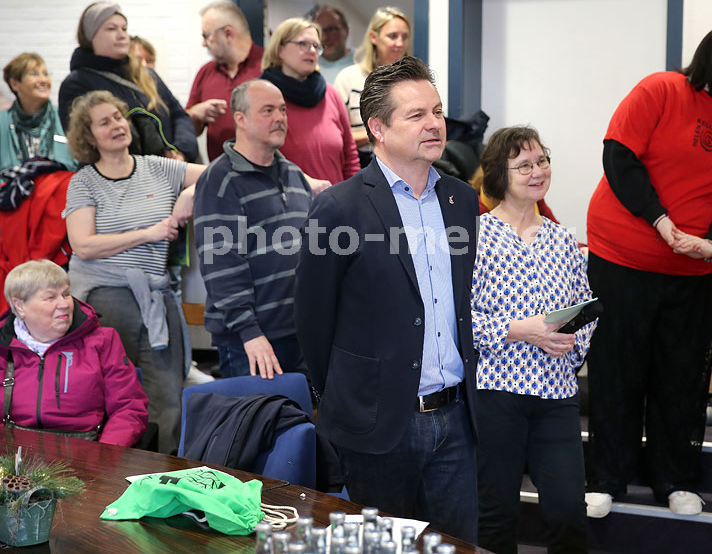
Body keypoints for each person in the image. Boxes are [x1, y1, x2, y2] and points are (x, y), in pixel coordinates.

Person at [585, 22, 712, 517]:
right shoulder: (661, 90)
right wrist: (661, 222)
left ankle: (676, 479)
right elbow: (619, 158)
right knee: (618, 370)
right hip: (622, 257)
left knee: (682, 375)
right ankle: (606, 477)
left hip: (694, 272)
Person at [294, 56, 479, 542]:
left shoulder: (461, 200)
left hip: (457, 418)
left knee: (456, 546)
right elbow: (313, 319)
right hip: (376, 422)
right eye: (416, 115)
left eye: (436, 111)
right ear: (377, 128)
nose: (434, 124)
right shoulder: (339, 207)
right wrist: (343, 396)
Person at [471, 126, 595, 554]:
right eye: (524, 165)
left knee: (568, 510)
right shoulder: (475, 236)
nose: (537, 171)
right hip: (496, 392)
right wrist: (517, 330)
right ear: (498, 175)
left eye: (542, 161)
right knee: (495, 512)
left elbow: (584, 307)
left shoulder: (562, 239)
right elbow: (456, 318)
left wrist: (572, 344)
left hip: (557, 393)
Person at [62, 90, 206, 454]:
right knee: (112, 397)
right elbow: (83, 245)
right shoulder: (84, 181)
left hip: (156, 297)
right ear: (89, 137)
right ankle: (108, 472)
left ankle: (161, 471)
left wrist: (189, 194)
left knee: (168, 398)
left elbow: (218, 175)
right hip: (105, 298)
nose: (117, 125)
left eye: (118, 117)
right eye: (104, 122)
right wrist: (150, 233)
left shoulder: (158, 167)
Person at [194, 79, 313, 380]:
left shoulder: (295, 175)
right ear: (241, 119)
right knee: (257, 414)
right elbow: (222, 265)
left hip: (299, 333)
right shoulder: (220, 181)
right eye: (268, 110)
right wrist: (249, 332)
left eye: (282, 110)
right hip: (251, 343)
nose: (280, 118)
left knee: (302, 412)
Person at [1, 260, 148, 446]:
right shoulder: (4, 345)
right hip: (12, 452)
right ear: (20, 306)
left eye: (66, 294)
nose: (64, 304)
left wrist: (105, 454)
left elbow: (129, 409)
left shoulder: (103, 341)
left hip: (86, 451)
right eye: (50, 297)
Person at [58, 1, 199, 162]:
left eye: (124, 29)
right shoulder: (76, 84)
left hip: (171, 169)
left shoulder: (147, 75)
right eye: (112, 29)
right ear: (90, 36)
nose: (122, 35)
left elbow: (179, 115)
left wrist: (181, 151)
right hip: (117, 174)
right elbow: (81, 141)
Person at [260, 17, 359, 190]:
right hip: (285, 202)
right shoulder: (262, 96)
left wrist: (354, 196)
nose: (312, 51)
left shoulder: (330, 94)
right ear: (280, 50)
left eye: (316, 46)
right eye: (303, 44)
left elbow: (350, 157)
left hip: (334, 201)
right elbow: (256, 158)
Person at [187, 0, 264, 161]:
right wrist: (196, 114)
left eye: (206, 35)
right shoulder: (205, 73)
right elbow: (189, 130)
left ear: (228, 34)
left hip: (268, 171)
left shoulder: (268, 67)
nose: (204, 43)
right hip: (221, 173)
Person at [333, 6, 411, 167]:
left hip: (405, 165)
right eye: (393, 36)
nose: (400, 43)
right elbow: (336, 136)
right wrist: (384, 132)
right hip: (361, 165)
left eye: (404, 37)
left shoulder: (411, 81)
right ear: (373, 37)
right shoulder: (349, 78)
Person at [1, 53, 77, 171]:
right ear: (15, 84)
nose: (43, 80)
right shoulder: (2, 122)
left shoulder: (67, 118)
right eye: (34, 74)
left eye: (45, 74)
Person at [313, 5, 355, 84]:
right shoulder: (308, 63)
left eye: (331, 30)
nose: (325, 37)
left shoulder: (363, 61)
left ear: (346, 31)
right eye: (320, 31)